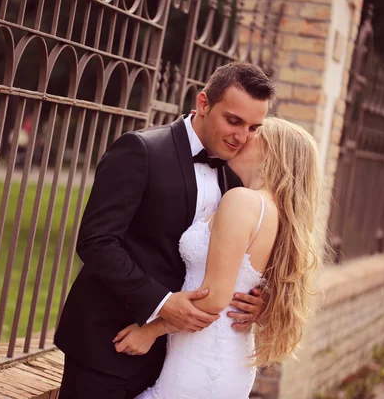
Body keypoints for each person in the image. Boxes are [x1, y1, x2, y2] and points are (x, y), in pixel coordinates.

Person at [54, 62, 275, 398]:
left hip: (177, 357)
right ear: (203, 103)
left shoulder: (236, 176)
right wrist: (161, 303)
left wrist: (259, 303)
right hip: (110, 342)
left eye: (254, 127)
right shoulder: (140, 150)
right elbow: (97, 241)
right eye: (233, 120)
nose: (242, 137)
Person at [114, 117, 324, 398]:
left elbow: (214, 298)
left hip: (202, 356)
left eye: (254, 133)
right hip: (225, 354)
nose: (243, 137)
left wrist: (151, 330)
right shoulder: (274, 210)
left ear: (272, 152)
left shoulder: (243, 201)